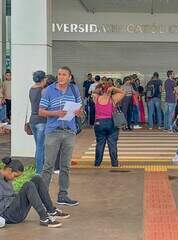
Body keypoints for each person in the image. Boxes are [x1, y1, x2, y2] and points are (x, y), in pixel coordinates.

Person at [39, 66, 82, 206]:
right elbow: (41, 111)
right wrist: (56, 113)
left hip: (69, 131)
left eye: (64, 74)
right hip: (53, 131)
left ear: (70, 77)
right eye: (59, 74)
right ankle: (43, 196)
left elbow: (80, 108)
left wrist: (78, 112)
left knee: (65, 166)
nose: (61, 77)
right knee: (48, 166)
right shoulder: (48, 91)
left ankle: (63, 195)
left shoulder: (74, 89)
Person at [0, 157, 70, 228]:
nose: (14, 179)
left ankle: (51, 210)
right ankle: (44, 218)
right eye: (15, 176)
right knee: (28, 186)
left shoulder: (6, 178)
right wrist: (19, 197)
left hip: (14, 209)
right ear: (9, 170)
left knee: (37, 179)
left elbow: (9, 195)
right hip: (8, 215)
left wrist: (21, 196)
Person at [92, 83, 125, 167]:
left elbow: (93, 91)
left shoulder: (96, 97)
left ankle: (97, 163)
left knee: (100, 144)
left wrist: (99, 87)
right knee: (112, 144)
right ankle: (114, 163)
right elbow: (123, 93)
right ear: (110, 90)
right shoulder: (113, 99)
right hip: (111, 123)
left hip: (99, 123)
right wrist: (114, 88)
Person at [29, 71, 47, 174]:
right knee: (41, 147)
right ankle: (39, 172)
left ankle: (39, 169)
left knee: (38, 146)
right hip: (41, 121)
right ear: (43, 79)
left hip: (33, 121)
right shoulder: (43, 91)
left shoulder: (31, 89)